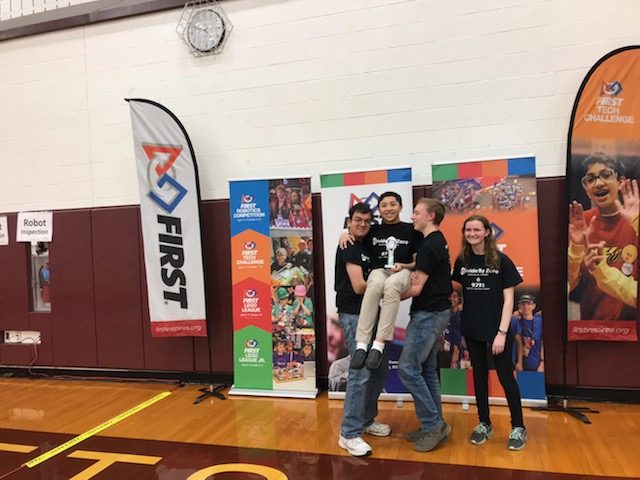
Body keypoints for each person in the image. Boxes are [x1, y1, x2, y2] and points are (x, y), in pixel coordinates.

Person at [451, 214, 527, 451]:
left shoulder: (502, 261)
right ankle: (484, 423)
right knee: (479, 377)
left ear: (486, 232)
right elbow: (461, 293)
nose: (472, 234)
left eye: (476, 230)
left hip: (497, 331)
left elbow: (508, 300)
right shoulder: (461, 261)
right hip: (473, 328)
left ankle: (518, 426)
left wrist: (502, 333)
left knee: (506, 378)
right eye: (468, 230)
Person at [341, 191, 422, 370]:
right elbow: (355, 234)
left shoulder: (411, 230)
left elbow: (417, 262)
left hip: (403, 272)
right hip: (380, 271)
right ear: (379, 209)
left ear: (400, 207)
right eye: (384, 205)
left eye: (393, 204)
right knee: (375, 283)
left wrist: (404, 266)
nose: (388, 208)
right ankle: (362, 345)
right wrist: (344, 234)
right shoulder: (373, 229)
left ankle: (378, 344)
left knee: (392, 285)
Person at [398, 198, 452, 452]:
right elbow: (423, 271)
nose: (412, 216)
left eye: (417, 212)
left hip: (428, 314)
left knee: (408, 369)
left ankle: (433, 425)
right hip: (436, 311)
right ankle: (435, 422)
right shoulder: (435, 241)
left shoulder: (430, 245)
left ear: (431, 216)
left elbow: (417, 287)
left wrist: (387, 296)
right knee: (427, 371)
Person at [335, 203, 390, 457]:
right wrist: (389, 288)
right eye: (358, 220)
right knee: (360, 372)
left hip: (373, 313)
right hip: (354, 314)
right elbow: (359, 286)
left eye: (368, 221)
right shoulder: (348, 246)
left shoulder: (369, 241)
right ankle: (348, 433)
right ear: (350, 220)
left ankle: (366, 420)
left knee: (378, 369)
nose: (363, 224)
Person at [568, 152, 639, 320]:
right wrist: (577, 248)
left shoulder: (635, 219)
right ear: (586, 190)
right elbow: (570, 283)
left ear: (620, 182)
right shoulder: (580, 223)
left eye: (606, 175)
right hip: (592, 323)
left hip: (632, 326)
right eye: (590, 179)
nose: (598, 183)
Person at [511, 294, 544, 372]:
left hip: (538, 366)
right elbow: (519, 343)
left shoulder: (540, 320)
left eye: (528, 303)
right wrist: (519, 363)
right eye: (523, 304)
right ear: (519, 306)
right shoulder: (516, 321)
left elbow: (543, 343)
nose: (526, 306)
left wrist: (542, 362)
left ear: (534, 306)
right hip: (521, 366)